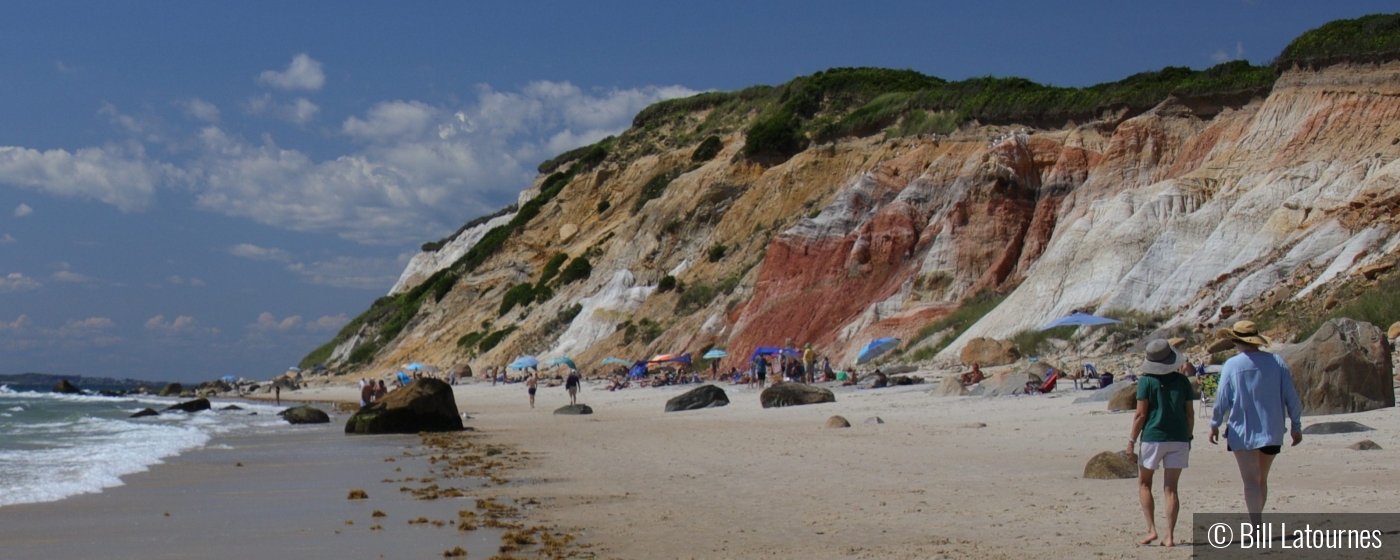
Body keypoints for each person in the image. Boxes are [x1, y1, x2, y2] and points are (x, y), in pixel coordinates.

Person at [1209, 320, 1303, 525]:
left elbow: (1222, 398)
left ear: (1236, 340)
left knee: (1250, 481)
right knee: (1261, 479)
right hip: (1272, 431)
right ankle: (1257, 521)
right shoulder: (1276, 362)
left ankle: (1256, 526)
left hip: (1243, 431)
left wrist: (1214, 424)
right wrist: (1296, 426)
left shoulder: (1232, 365)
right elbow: (1291, 397)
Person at [1128, 339, 1196, 547]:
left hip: (1153, 437)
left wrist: (1131, 440)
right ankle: (1170, 536)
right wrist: (1189, 436)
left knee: (1145, 483)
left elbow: (1140, 414)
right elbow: (1190, 413)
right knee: (1171, 489)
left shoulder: (1146, 382)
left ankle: (1151, 530)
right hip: (1179, 437)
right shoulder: (1183, 381)